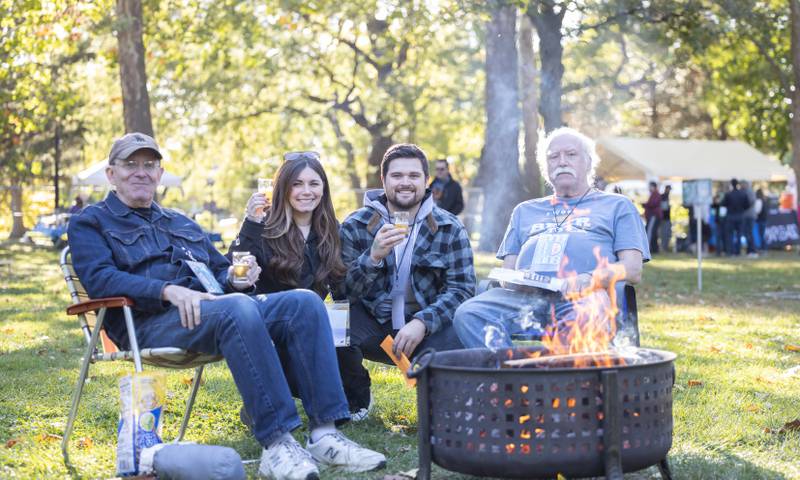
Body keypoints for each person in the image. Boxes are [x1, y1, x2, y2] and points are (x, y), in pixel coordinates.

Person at [68, 133, 385, 480]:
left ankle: (325, 435)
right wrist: (166, 290)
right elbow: (99, 279)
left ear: (159, 174)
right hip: (148, 322)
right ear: (111, 174)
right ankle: (277, 444)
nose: (141, 172)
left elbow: (219, 268)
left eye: (149, 165)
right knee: (238, 307)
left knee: (304, 303)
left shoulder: (179, 222)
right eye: (130, 165)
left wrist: (238, 277)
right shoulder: (91, 222)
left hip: (213, 311)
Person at [453, 127, 650, 350]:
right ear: (546, 168)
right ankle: (507, 375)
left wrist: (588, 279)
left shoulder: (616, 206)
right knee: (469, 313)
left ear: (588, 162)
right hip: (526, 300)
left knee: (588, 311)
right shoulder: (524, 211)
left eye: (571, 154)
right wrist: (522, 281)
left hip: (584, 296)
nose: (561, 161)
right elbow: (508, 273)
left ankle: (563, 380)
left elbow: (632, 269)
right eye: (553, 157)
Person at [228, 151, 370, 420]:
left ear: (323, 189)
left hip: (314, 322)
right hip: (270, 323)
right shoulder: (265, 226)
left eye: (314, 184)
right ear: (283, 188)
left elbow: (342, 286)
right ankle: (270, 397)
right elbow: (234, 269)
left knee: (340, 328)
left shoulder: (330, 230)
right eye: (297, 184)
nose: (307, 191)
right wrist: (250, 222)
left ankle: (348, 394)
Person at [339, 143, 475, 406]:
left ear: (427, 181)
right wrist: (373, 256)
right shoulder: (355, 225)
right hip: (373, 324)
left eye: (413, 176)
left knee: (463, 336)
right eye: (397, 175)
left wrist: (422, 322)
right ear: (384, 180)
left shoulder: (450, 227)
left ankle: (436, 387)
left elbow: (462, 289)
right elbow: (341, 291)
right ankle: (357, 395)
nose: (405, 183)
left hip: (427, 327)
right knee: (331, 322)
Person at [722, 178, 750, 256]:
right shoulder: (743, 194)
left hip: (731, 216)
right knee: (739, 235)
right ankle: (737, 251)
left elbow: (723, 204)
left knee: (730, 235)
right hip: (740, 216)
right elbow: (747, 205)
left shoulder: (728, 194)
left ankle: (731, 251)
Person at [642, 181, 662, 254]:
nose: (649, 188)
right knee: (653, 232)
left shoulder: (656, 194)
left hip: (654, 216)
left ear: (654, 187)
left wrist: (645, 205)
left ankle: (649, 248)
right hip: (652, 216)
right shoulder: (653, 194)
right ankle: (654, 249)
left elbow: (653, 204)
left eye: (650, 186)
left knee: (650, 232)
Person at [741, 180, 758, 257]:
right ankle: (749, 250)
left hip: (749, 216)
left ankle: (752, 250)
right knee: (747, 234)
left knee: (749, 233)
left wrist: (743, 206)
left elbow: (751, 202)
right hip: (746, 216)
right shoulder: (744, 191)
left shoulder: (750, 192)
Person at [658, 185, 672, 253]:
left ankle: (665, 248)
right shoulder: (663, 196)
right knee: (664, 234)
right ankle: (663, 248)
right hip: (664, 218)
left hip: (667, 218)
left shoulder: (667, 196)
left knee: (667, 234)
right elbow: (664, 208)